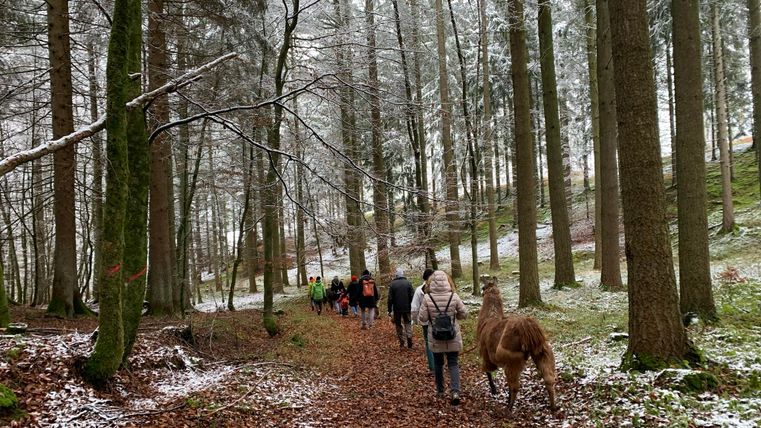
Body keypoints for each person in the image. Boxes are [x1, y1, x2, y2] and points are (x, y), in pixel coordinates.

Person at [418, 270, 468, 405]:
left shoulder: (428, 298)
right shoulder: (454, 296)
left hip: (436, 336)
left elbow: (422, 318)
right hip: (452, 335)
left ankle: (440, 391)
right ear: (447, 281)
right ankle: (455, 391)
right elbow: (464, 314)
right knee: (453, 363)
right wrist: (453, 317)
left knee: (439, 364)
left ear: (431, 282)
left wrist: (432, 319)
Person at [411, 268, 435, 373]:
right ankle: (441, 364)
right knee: (440, 341)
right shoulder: (440, 288)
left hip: (425, 321)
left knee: (428, 343)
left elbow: (414, 308)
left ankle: (432, 367)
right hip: (439, 320)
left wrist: (416, 320)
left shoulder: (419, 290)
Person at [387, 267, 414, 349]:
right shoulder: (408, 283)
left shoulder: (392, 284)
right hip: (407, 308)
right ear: (403, 274)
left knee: (398, 325)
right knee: (408, 322)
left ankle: (402, 342)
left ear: (396, 275)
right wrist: (412, 306)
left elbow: (390, 299)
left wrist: (389, 310)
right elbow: (412, 296)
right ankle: (409, 337)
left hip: (397, 309)